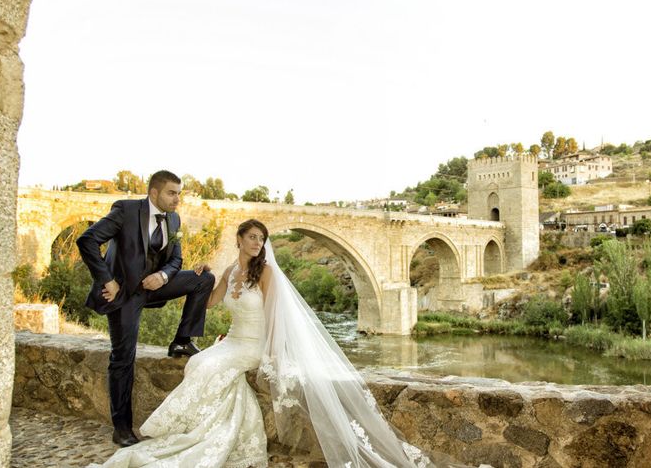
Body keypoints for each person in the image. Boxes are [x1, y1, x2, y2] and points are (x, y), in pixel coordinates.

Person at [88, 219, 437, 468]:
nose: (257, 243)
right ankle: (202, 431)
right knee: (199, 363)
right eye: (252, 237)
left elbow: (274, 318)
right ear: (239, 239)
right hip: (233, 341)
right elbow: (209, 302)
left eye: (261, 238)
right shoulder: (230, 272)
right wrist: (198, 276)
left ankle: (195, 436)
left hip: (254, 346)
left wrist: (272, 354)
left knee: (207, 364)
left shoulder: (267, 273)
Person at [77, 170, 215, 448]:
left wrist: (163, 276)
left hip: (152, 286)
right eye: (172, 193)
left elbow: (176, 259)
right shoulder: (126, 210)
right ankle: (122, 428)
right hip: (123, 293)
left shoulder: (174, 219)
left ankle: (181, 341)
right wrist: (108, 280)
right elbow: (87, 240)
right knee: (123, 357)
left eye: (179, 193)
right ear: (154, 193)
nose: (177, 199)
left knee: (204, 279)